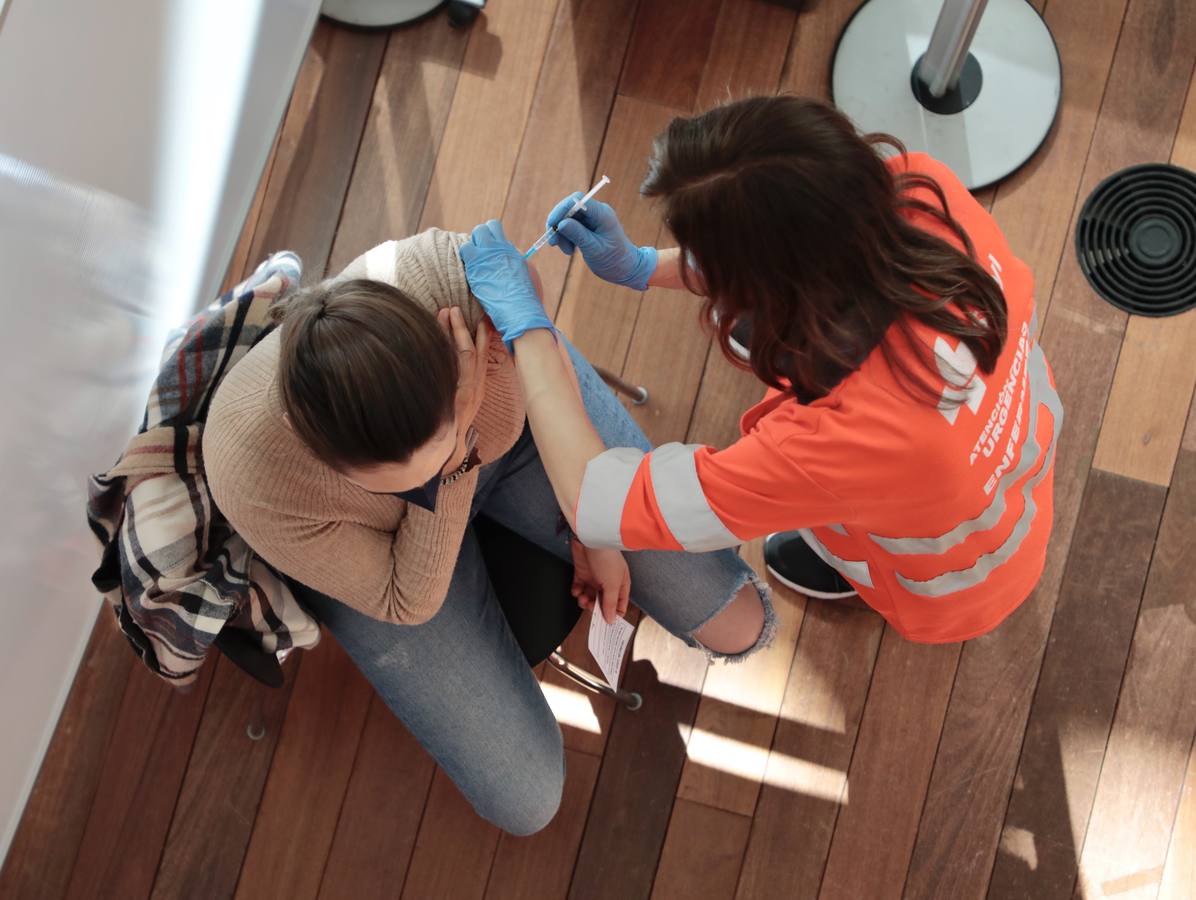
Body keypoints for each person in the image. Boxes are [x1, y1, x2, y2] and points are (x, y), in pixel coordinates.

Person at [203, 230, 771, 835]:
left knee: (739, 623)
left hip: (514, 443)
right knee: (528, 802)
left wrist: (595, 523)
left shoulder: (461, 280)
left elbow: (540, 349)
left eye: (441, 432)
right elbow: (406, 600)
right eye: (403, 476)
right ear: (333, 463)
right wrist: (454, 458)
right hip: (392, 562)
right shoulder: (255, 476)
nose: (435, 458)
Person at [460, 95, 1063, 645]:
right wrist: (646, 267)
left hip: (950, 578)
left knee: (847, 518)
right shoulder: (920, 190)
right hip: (1013, 467)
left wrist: (528, 327)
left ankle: (845, 569)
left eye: (714, 263)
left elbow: (599, 499)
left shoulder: (835, 449)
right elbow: (806, 242)